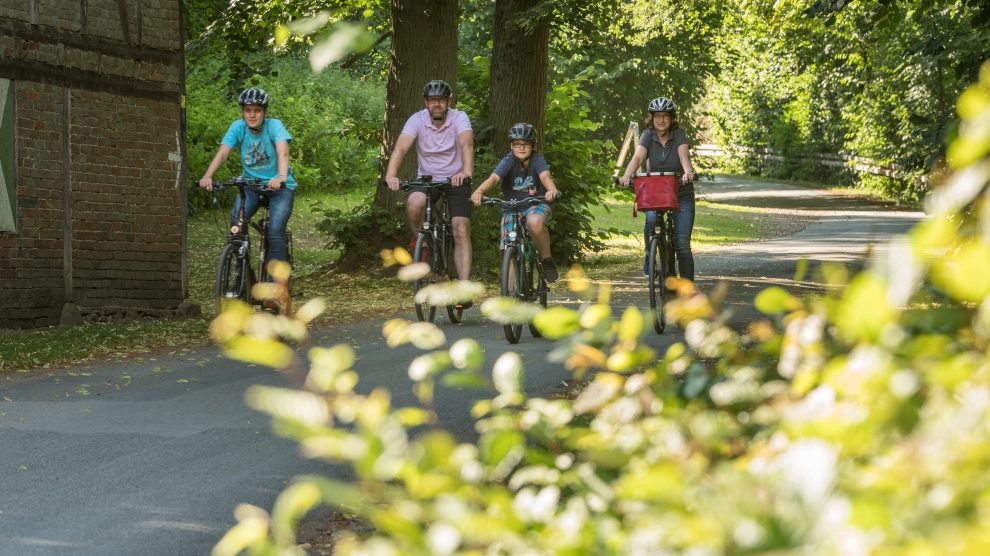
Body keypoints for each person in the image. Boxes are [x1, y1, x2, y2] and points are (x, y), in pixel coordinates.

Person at [385, 79, 475, 301]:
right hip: (427, 179)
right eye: (433, 100)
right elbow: (401, 147)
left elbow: (467, 145)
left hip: (455, 178)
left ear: (448, 102)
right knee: (414, 204)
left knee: (460, 228)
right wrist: (390, 174)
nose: (437, 104)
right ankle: (424, 242)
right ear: (426, 102)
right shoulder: (417, 120)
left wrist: (465, 172)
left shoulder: (459, 117)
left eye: (441, 100)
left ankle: (463, 287)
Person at [198, 87, 296, 269]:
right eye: (248, 110)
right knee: (237, 226)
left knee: (275, 231)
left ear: (264, 112)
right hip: (250, 185)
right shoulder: (238, 127)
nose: (252, 115)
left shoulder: (274, 126)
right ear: (243, 112)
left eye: (257, 110)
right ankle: (242, 278)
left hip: (280, 187)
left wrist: (281, 177)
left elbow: (283, 153)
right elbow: (223, 154)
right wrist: (208, 176)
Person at [618, 96, 698, 281]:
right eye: (657, 116)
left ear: (672, 118)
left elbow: (684, 157)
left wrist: (688, 172)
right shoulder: (647, 135)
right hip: (656, 193)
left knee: (682, 243)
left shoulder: (679, 134)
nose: (661, 120)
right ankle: (650, 256)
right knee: (651, 220)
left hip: (680, 193)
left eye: (665, 116)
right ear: (651, 119)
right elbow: (638, 157)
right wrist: (627, 175)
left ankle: (687, 292)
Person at [470, 123, 561, 282]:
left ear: (533, 145)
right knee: (508, 248)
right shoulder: (508, 160)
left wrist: (551, 190)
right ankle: (510, 297)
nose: (521, 148)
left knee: (534, 222)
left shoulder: (537, 160)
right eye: (517, 144)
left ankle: (547, 260)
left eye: (526, 144)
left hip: (536, 203)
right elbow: (494, 179)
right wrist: (479, 192)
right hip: (512, 208)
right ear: (511, 146)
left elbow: (545, 177)